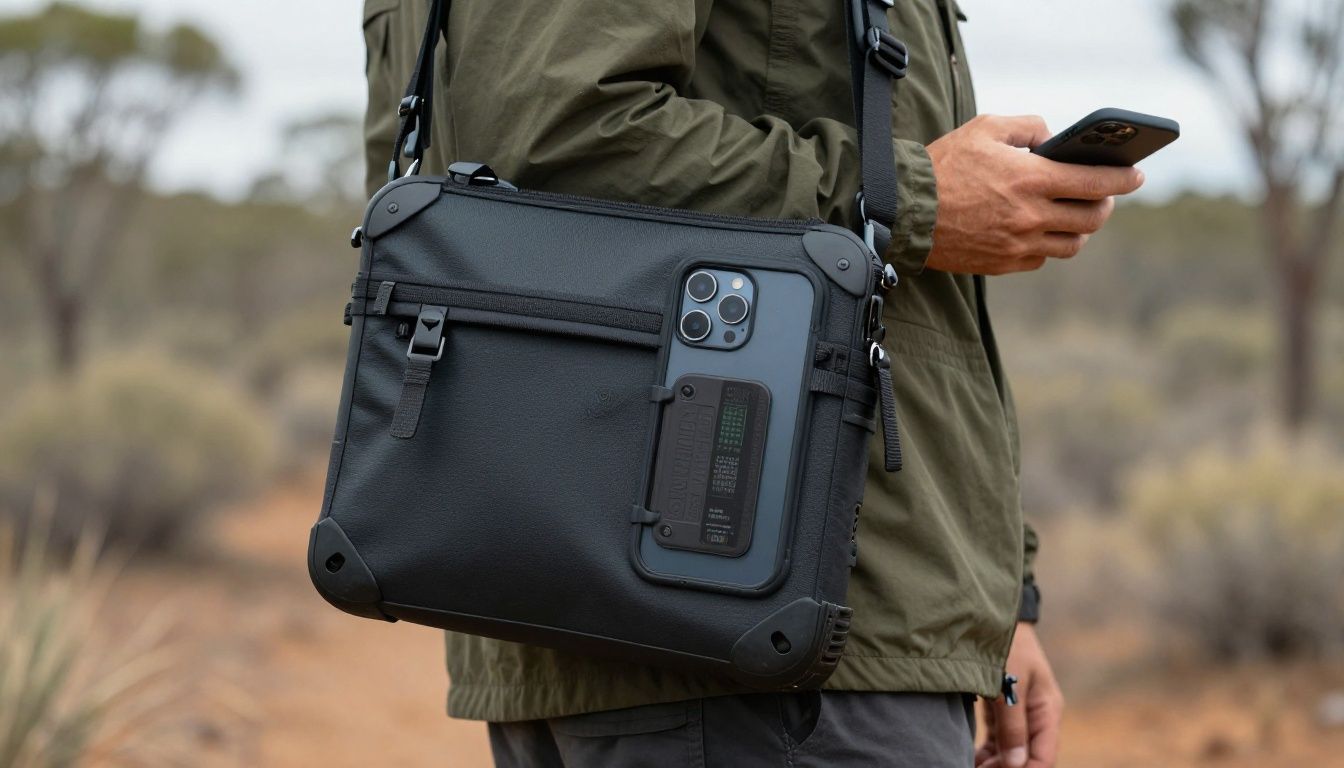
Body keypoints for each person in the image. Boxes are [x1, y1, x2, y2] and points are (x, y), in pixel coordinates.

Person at [360, 0, 1143, 765]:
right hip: (762, 632)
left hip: (756, 611)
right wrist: (907, 195)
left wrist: (1005, 606)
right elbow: (559, 133)